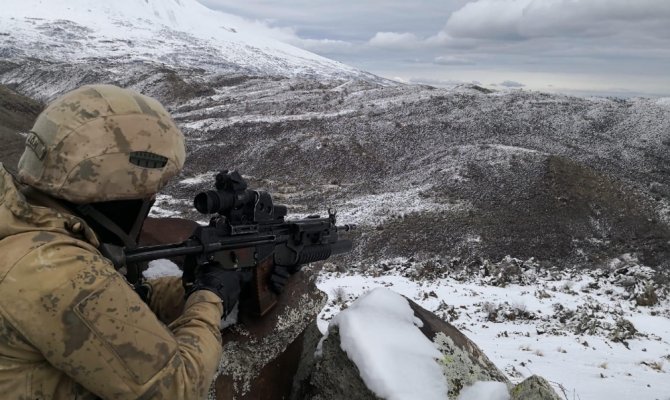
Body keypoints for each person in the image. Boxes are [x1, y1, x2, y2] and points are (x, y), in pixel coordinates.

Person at [0, 84, 240, 399]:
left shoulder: (26, 224)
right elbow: (177, 388)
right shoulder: (57, 271)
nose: (151, 198)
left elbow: (113, 305)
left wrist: (190, 286)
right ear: (112, 189)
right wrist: (210, 299)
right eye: (148, 192)